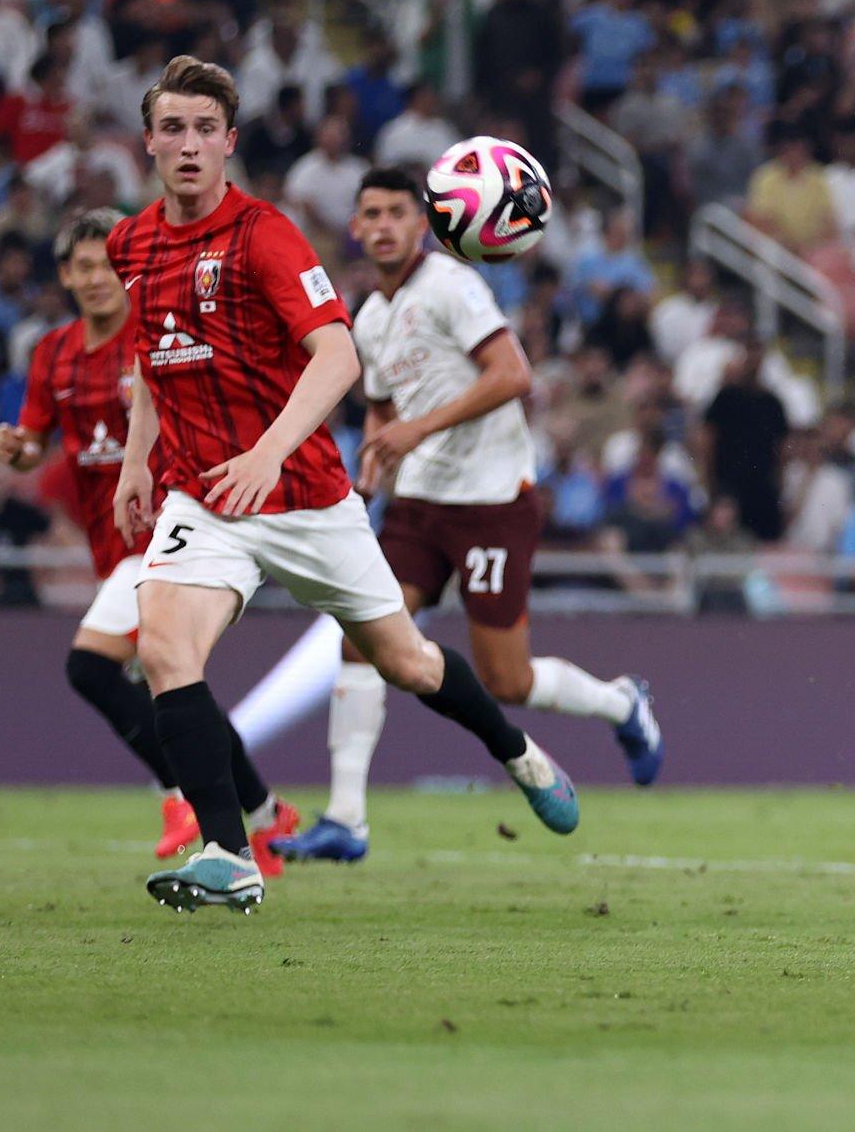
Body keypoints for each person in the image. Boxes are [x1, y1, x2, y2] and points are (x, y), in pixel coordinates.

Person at [110, 56, 583, 914]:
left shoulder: (265, 236)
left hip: (303, 495)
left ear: (229, 144)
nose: (188, 145)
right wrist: (139, 457)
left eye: (204, 130)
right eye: (172, 128)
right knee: (162, 650)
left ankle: (520, 754)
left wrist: (269, 453)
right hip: (204, 495)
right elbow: (150, 354)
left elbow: (338, 355)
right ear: (148, 141)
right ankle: (228, 850)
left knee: (405, 659)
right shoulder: (130, 243)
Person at [271, 167, 662, 864]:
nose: (384, 225)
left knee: (505, 680)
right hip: (419, 504)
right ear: (355, 228)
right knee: (361, 637)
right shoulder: (367, 318)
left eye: (397, 212)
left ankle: (622, 702)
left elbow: (513, 374)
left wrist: (415, 431)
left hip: (491, 503)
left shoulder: (452, 286)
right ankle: (347, 820)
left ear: (422, 224)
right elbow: (385, 407)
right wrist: (381, 452)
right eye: (372, 214)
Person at [0, 209, 292, 868]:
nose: (99, 279)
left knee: (91, 664)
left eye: (109, 265)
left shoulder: (161, 335)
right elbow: (33, 441)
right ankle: (265, 815)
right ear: (66, 275)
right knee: (177, 683)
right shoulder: (54, 352)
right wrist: (14, 448)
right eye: (84, 266)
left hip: (171, 536)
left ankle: (182, 791)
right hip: (112, 546)